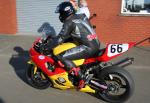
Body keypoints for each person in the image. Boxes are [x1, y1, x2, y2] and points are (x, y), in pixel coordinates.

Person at [45, 1, 101, 89]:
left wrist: (47, 47)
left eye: (60, 13)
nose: (60, 15)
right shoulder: (81, 15)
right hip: (96, 43)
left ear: (65, 12)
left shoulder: (68, 22)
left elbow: (60, 38)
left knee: (61, 56)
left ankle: (81, 78)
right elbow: (76, 33)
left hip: (88, 47)